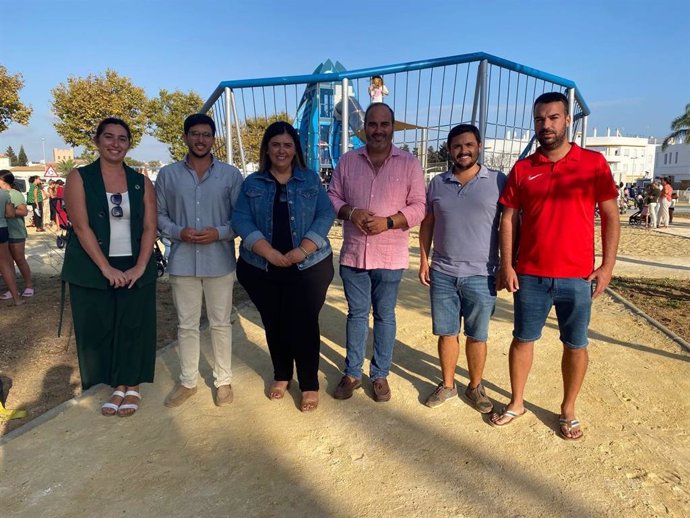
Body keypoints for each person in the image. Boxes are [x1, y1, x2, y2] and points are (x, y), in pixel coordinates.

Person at [491, 92, 620, 440]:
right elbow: (508, 219)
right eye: (539, 119)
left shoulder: (592, 164)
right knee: (522, 339)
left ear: (567, 121)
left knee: (575, 344)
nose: (545, 125)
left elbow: (610, 216)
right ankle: (517, 402)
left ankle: (568, 410)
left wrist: (606, 267)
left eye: (552, 118)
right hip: (530, 274)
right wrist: (508, 264)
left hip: (578, 277)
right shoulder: (523, 169)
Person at [233, 121, 335, 412]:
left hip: (308, 266)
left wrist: (302, 250)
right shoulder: (252, 183)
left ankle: (309, 383)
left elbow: (325, 213)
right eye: (275, 144)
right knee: (274, 322)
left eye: (287, 145)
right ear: (267, 148)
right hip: (262, 267)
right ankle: (281, 374)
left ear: (295, 149)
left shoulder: (310, 180)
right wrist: (268, 252)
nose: (281, 150)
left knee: (303, 324)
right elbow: (240, 218)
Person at [328, 103, 426, 402]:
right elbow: (332, 196)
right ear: (365, 127)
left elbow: (420, 206)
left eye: (384, 124)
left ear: (392, 127)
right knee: (357, 314)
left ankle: (380, 374)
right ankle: (353, 372)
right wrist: (351, 212)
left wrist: (389, 221)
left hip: (390, 255)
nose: (378, 130)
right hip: (355, 253)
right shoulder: (348, 161)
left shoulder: (409, 163)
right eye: (372, 124)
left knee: (384, 315)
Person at [61, 117, 158, 417]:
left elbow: (149, 227)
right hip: (93, 265)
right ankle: (114, 383)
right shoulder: (79, 177)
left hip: (133, 263)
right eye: (109, 137)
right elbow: (81, 226)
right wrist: (106, 268)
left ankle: (131, 384)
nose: (115, 143)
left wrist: (141, 266)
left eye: (122, 138)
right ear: (97, 141)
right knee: (99, 326)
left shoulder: (141, 181)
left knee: (133, 324)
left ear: (129, 144)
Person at [156, 113, 243, 408]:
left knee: (220, 323)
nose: (201, 139)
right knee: (186, 325)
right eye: (195, 133)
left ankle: (223, 381)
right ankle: (188, 381)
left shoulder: (230, 175)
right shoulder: (167, 175)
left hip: (219, 260)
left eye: (206, 134)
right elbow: (159, 215)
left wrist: (218, 233)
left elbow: (241, 219)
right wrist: (178, 231)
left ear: (213, 139)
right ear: (185, 137)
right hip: (182, 261)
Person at [418, 124, 507, 411]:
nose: (463, 150)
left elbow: (509, 224)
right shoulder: (437, 183)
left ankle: (475, 387)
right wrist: (423, 259)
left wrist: (507, 264)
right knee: (446, 332)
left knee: (477, 334)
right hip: (443, 272)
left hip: (482, 274)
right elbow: (428, 223)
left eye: (469, 145)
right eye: (457, 146)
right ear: (449, 149)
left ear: (479, 146)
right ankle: (447, 385)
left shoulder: (497, 181)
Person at [0, 170, 33, 298]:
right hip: (5, 231)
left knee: (19, 259)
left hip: (16, 232)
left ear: (3, 180)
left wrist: (7, 210)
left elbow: (23, 211)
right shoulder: (3, 194)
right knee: (7, 262)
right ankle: (12, 288)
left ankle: (29, 285)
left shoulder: (15, 194)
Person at [0, 181, 24, 306]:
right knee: (5, 264)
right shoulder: (4, 194)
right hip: (2, 229)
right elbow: (10, 214)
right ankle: (17, 298)